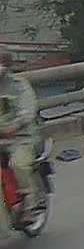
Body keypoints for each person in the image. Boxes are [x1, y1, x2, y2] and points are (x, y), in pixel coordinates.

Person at [0, 46, 41, 220]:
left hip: (21, 138)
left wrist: (14, 126)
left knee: (18, 164)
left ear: (6, 66)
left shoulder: (19, 85)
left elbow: (27, 110)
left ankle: (29, 204)